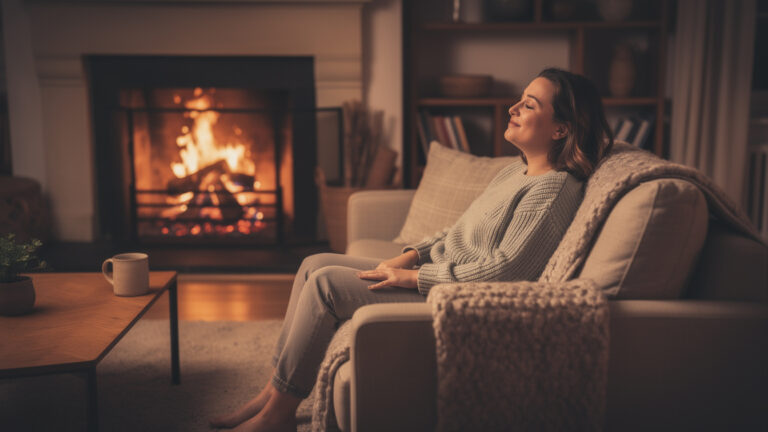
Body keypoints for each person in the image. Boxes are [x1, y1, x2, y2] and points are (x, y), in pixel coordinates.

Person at [209, 67, 614, 431]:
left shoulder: (554, 189)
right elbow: (458, 231)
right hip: (433, 274)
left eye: (529, 104)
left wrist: (416, 277)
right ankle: (272, 394)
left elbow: (505, 272)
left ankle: (276, 418)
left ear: (561, 128)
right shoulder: (516, 170)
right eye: (520, 100)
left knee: (326, 286)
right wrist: (413, 254)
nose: (513, 108)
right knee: (313, 262)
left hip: (450, 297)